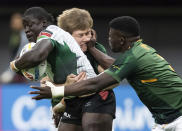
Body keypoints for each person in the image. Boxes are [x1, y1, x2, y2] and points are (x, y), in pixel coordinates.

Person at [30, 16, 182, 131]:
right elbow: (115, 65)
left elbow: (95, 83)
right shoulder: (139, 51)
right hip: (164, 122)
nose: (108, 40)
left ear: (121, 39)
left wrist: (55, 91)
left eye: (110, 36)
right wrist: (92, 48)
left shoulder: (133, 57)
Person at [9, 6, 98, 128]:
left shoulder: (50, 32)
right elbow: (45, 81)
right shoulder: (45, 47)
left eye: (30, 25)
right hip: (74, 99)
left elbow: (36, 56)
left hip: (92, 96)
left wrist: (14, 65)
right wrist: (59, 106)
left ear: (43, 23)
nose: (26, 30)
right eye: (24, 26)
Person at [51, 8, 115, 131]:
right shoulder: (56, 53)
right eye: (81, 35)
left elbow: (113, 76)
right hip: (73, 101)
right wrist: (59, 104)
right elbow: (46, 85)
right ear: (67, 36)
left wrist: (92, 49)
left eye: (88, 33)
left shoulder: (95, 49)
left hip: (97, 96)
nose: (87, 38)